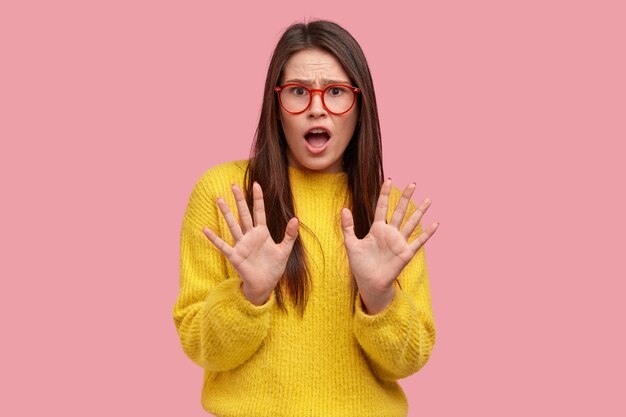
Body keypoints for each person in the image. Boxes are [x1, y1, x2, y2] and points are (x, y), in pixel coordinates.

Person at [172, 19, 440, 417]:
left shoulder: (390, 214)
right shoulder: (225, 194)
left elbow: (407, 361)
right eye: (298, 92)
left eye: (336, 92)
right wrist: (251, 295)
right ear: (275, 104)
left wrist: (379, 297)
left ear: (360, 103)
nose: (317, 108)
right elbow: (200, 345)